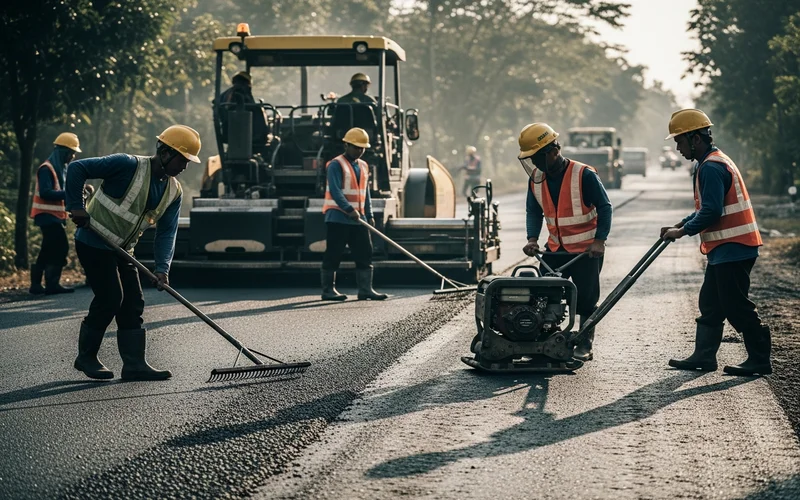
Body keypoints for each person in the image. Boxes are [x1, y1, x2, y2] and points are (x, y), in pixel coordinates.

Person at [65, 125, 201, 381]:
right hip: (93, 242)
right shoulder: (127, 165)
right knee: (110, 297)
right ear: (164, 152)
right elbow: (77, 169)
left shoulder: (174, 190)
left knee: (133, 301)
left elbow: (166, 232)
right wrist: (75, 206)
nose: (185, 166)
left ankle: (134, 364)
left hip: (122, 250)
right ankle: (86, 357)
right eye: (182, 159)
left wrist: (163, 268)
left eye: (188, 161)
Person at [661, 109, 770, 376]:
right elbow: (704, 208)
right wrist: (680, 223)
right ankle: (704, 356)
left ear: (696, 139)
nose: (677, 148)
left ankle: (759, 359)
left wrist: (682, 231)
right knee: (710, 301)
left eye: (679, 141)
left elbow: (711, 212)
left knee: (735, 305)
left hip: (734, 246)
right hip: (726, 248)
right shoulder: (709, 162)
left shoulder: (711, 167)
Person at [518, 123, 613, 361]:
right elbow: (533, 211)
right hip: (554, 250)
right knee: (542, 295)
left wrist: (599, 241)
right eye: (532, 159)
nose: (536, 164)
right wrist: (532, 239)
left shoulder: (584, 174)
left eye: (538, 158)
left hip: (585, 251)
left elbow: (605, 207)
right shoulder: (536, 179)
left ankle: (584, 342)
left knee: (586, 299)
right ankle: (545, 341)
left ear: (553, 151)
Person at [321, 127, 387, 302]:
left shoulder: (364, 166)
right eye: (356, 147)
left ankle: (365, 289)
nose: (359, 151)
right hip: (338, 218)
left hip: (359, 219)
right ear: (346, 145)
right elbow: (335, 191)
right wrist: (349, 210)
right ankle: (328, 290)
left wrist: (369, 213)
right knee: (334, 253)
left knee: (365, 253)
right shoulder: (336, 164)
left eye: (362, 148)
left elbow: (365, 192)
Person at [29, 133, 83, 295]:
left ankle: (36, 286)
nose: (72, 157)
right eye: (71, 153)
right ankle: (51, 285)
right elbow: (46, 193)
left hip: (53, 217)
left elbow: (61, 192)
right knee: (60, 248)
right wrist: (70, 192)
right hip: (46, 216)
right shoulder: (47, 169)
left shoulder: (60, 169)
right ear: (63, 152)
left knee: (47, 250)